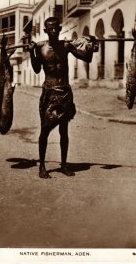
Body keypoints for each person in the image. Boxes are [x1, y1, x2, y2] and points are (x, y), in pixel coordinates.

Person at [28, 17, 97, 179]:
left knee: (64, 131)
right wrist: (32, 51)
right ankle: (42, 166)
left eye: (56, 28)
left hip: (64, 92)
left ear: (59, 30)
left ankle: (64, 165)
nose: (53, 31)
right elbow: (37, 69)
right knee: (45, 130)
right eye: (50, 28)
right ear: (45, 31)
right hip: (49, 93)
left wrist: (92, 46)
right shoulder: (41, 48)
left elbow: (86, 58)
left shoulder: (66, 46)